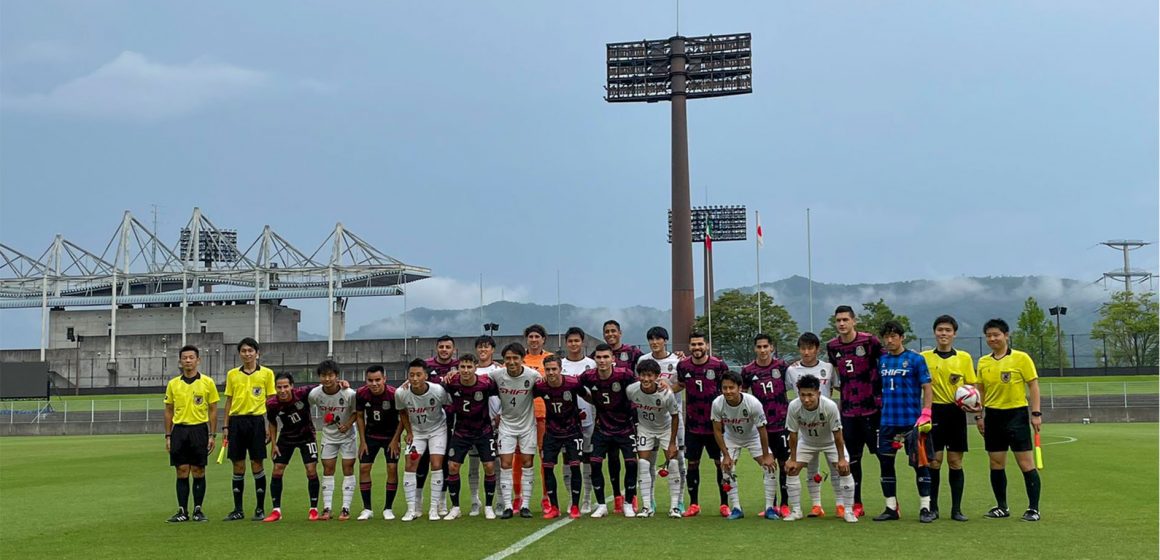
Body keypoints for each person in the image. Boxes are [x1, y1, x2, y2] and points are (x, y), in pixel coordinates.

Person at [975, 318, 1042, 522]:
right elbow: (980, 391)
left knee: (1026, 463)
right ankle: (1002, 507)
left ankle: (1033, 508)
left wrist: (1036, 413)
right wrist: (979, 415)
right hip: (993, 416)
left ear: (1006, 335)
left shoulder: (1021, 358)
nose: (992, 338)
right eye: (989, 335)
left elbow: (1033, 385)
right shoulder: (983, 362)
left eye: (996, 334)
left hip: (1017, 415)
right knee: (996, 463)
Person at [872, 321, 935, 523]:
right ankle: (891, 507)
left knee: (920, 464)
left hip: (912, 421)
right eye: (886, 337)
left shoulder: (916, 360)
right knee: (886, 463)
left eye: (894, 336)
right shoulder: (882, 361)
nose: (890, 340)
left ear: (902, 337)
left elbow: (927, 387)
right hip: (888, 421)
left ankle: (925, 507)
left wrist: (926, 412)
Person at [826, 305, 884, 517]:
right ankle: (856, 503)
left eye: (845, 320)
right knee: (853, 459)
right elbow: (834, 372)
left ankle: (891, 502)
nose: (842, 323)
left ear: (854, 321)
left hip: (872, 410)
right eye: (838, 320)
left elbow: (884, 362)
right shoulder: (832, 346)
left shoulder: (870, 341)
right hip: (849, 412)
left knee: (883, 456)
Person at [921, 315, 977, 521]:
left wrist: (975, 407)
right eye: (940, 330)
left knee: (955, 462)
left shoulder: (964, 358)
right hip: (933, 412)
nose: (943, 333)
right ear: (935, 332)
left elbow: (972, 386)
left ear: (954, 334)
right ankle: (933, 508)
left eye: (948, 330)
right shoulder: (924, 357)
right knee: (934, 462)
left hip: (956, 413)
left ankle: (956, 509)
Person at [782, 374, 856, 523]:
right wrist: (793, 459)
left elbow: (837, 434)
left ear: (818, 393)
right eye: (802, 395)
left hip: (830, 443)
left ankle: (848, 511)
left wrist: (842, 459)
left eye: (810, 395)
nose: (806, 399)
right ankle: (796, 511)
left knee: (844, 469)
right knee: (791, 469)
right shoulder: (794, 406)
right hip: (807, 442)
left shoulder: (829, 406)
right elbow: (793, 434)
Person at [674, 332, 730, 517]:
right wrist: (664, 388)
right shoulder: (683, 365)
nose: (697, 348)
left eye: (700, 344)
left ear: (706, 345)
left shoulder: (719, 365)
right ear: (689, 347)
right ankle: (694, 504)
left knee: (720, 464)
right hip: (693, 425)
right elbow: (680, 384)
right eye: (693, 344)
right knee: (693, 464)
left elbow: (727, 389)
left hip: (715, 425)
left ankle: (724, 504)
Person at [579, 343, 639, 518]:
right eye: (599, 357)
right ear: (594, 359)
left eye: (606, 357)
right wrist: (592, 400)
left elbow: (638, 389)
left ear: (613, 359)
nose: (602, 360)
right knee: (595, 464)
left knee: (631, 464)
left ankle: (628, 502)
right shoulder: (589, 376)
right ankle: (601, 505)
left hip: (625, 427)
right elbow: (576, 387)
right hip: (602, 428)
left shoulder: (625, 375)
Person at [221, 337, 276, 521]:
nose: (247, 354)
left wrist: (270, 425)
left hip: (257, 422)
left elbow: (271, 402)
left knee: (257, 464)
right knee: (238, 464)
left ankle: (260, 509)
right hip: (236, 422)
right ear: (240, 354)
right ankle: (238, 509)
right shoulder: (232, 375)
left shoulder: (267, 374)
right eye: (244, 351)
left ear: (257, 353)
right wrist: (226, 425)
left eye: (250, 351)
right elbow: (228, 401)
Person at [711, 370, 777, 520]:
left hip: (753, 437)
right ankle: (736, 508)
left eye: (731, 387)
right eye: (724, 388)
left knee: (770, 467)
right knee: (727, 469)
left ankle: (769, 508)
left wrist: (766, 455)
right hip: (731, 438)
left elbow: (762, 430)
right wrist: (726, 456)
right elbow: (717, 430)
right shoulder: (717, 403)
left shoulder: (752, 403)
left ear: (739, 388)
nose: (728, 391)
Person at [164, 345, 219, 523]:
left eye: (191, 357)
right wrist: (168, 436)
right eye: (184, 358)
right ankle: (182, 510)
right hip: (179, 430)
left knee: (198, 470)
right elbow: (168, 410)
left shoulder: (207, 382)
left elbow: (212, 410)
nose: (188, 360)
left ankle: (198, 510)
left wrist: (212, 434)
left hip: (199, 429)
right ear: (180, 361)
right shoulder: (173, 384)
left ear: (198, 360)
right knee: (181, 470)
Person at [442, 354, 500, 520]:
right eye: (462, 367)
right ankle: (455, 507)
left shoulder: (486, 384)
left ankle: (489, 506)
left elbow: (502, 394)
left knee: (489, 467)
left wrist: (500, 414)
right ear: (458, 368)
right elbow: (432, 386)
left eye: (469, 367)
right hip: (461, 431)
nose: (466, 370)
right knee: (453, 467)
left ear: (476, 367)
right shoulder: (451, 382)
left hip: (483, 430)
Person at [487, 342, 541, 519]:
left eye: (515, 358)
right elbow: (476, 378)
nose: (511, 362)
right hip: (506, 426)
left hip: (527, 426)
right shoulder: (496, 374)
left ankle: (525, 505)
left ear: (522, 359)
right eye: (508, 358)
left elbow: (547, 384)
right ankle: (508, 506)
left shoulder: (533, 375)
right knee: (505, 464)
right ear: (503, 360)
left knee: (527, 463)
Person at [785, 332, 836, 517]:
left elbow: (836, 388)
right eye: (803, 348)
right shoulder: (792, 370)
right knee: (811, 467)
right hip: (806, 427)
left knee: (835, 465)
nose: (806, 352)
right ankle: (816, 505)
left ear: (817, 349)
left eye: (810, 348)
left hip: (828, 424)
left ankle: (840, 505)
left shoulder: (829, 368)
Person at [740, 333, 791, 519]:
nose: (762, 350)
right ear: (755, 349)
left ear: (772, 348)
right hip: (761, 427)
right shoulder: (747, 371)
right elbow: (743, 396)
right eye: (759, 347)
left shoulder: (782, 367)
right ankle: (771, 505)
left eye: (765, 347)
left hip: (782, 424)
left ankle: (785, 505)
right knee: (768, 466)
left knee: (785, 465)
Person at [637, 326, 687, 513]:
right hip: (648, 419)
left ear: (665, 340)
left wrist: (667, 390)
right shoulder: (643, 360)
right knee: (647, 461)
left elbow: (682, 384)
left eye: (658, 339)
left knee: (677, 460)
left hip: (672, 417)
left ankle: (679, 501)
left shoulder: (677, 360)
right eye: (651, 339)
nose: (654, 342)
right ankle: (649, 502)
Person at [396, 358, 453, 521]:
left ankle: (434, 508)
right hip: (417, 433)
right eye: (411, 375)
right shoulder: (401, 393)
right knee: (410, 464)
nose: (414, 379)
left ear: (425, 376)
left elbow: (449, 405)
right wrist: (409, 432)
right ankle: (411, 509)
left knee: (436, 464)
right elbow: (402, 413)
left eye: (418, 375)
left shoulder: (438, 391)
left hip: (437, 430)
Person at [533, 355, 589, 519]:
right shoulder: (541, 386)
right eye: (548, 369)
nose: (551, 372)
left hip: (573, 432)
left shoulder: (573, 383)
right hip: (551, 432)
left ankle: (575, 507)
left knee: (574, 466)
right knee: (548, 467)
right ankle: (554, 507)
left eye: (554, 369)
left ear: (560, 369)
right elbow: (526, 396)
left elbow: (587, 396)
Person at [262, 373, 322, 522]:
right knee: (277, 469)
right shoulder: (272, 404)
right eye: (279, 387)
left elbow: (324, 386)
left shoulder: (303, 393)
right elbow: (272, 422)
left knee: (311, 470)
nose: (282, 390)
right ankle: (276, 511)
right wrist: (274, 444)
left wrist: (341, 383)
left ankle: (313, 509)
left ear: (292, 386)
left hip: (307, 436)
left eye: (285, 386)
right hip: (286, 437)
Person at [626, 359, 681, 518]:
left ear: (657, 376)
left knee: (673, 463)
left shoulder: (666, 394)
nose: (646, 379)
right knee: (643, 464)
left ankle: (674, 507)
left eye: (650, 376)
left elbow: (675, 417)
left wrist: (672, 443)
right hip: (645, 429)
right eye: (643, 375)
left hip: (665, 429)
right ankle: (647, 507)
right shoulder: (632, 390)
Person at [597, 319, 642, 511]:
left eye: (613, 331)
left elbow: (647, 370)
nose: (610, 334)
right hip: (605, 418)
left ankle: (631, 498)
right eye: (607, 331)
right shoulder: (596, 356)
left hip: (628, 417)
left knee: (632, 461)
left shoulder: (633, 352)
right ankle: (616, 495)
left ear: (620, 332)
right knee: (612, 459)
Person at [307, 360, 357, 520]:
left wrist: (348, 424)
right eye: (323, 376)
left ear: (337, 376)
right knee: (328, 469)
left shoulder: (349, 393)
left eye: (330, 375)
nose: (327, 379)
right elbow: (304, 405)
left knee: (348, 468)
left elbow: (357, 412)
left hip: (348, 436)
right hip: (329, 436)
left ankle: (346, 508)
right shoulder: (315, 394)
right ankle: (327, 508)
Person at [354, 365, 402, 521]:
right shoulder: (361, 393)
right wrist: (362, 441)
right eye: (370, 380)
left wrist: (395, 440)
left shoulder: (394, 394)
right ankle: (367, 509)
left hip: (391, 436)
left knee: (392, 468)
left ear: (384, 379)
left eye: (377, 380)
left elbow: (403, 418)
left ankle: (388, 508)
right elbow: (360, 417)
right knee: (364, 468)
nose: (374, 384)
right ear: (366, 380)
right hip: (370, 435)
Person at [417, 335, 459, 512]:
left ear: (453, 349)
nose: (444, 350)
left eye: (447, 347)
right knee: (421, 462)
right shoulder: (427, 366)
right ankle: (417, 502)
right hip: (426, 421)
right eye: (441, 347)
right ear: (436, 348)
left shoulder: (459, 367)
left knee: (442, 462)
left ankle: (441, 502)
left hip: (449, 421)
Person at [560, 327, 597, 513]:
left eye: (577, 341)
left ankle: (588, 498)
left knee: (587, 458)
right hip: (566, 421)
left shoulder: (592, 364)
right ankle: (571, 498)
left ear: (583, 342)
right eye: (570, 341)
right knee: (568, 458)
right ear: (566, 343)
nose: (574, 344)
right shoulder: (560, 365)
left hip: (589, 418)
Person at [519, 324, 553, 512]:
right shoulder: (518, 358)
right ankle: (518, 498)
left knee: (544, 458)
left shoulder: (549, 359)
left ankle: (546, 497)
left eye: (537, 337)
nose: (533, 340)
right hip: (521, 416)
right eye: (530, 336)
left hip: (543, 414)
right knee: (519, 458)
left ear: (543, 339)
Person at [471, 335, 505, 515]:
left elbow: (505, 394)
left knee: (496, 463)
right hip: (473, 425)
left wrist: (501, 413)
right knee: (473, 464)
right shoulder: (470, 370)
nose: (483, 350)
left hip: (495, 424)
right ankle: (474, 500)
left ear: (492, 350)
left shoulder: (499, 371)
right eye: (480, 347)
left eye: (487, 347)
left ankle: (499, 500)